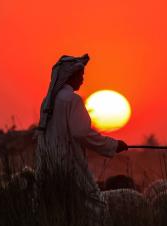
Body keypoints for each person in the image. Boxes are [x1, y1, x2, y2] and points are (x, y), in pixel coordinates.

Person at [35, 53, 128, 199]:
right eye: (81, 75)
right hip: (69, 167)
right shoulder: (72, 100)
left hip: (48, 167)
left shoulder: (47, 101)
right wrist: (113, 145)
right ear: (70, 76)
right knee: (93, 205)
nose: (83, 79)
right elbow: (81, 133)